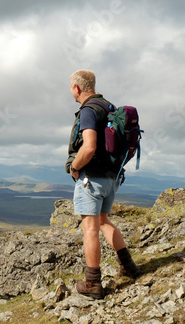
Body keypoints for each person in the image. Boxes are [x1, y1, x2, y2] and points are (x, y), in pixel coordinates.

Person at [65, 69, 140, 299]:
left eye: (70, 86)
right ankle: (129, 267)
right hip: (110, 178)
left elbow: (89, 147)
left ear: (77, 88)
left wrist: (75, 167)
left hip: (92, 179)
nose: (70, 90)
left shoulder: (88, 110)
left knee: (90, 229)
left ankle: (93, 283)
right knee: (104, 222)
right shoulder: (108, 106)